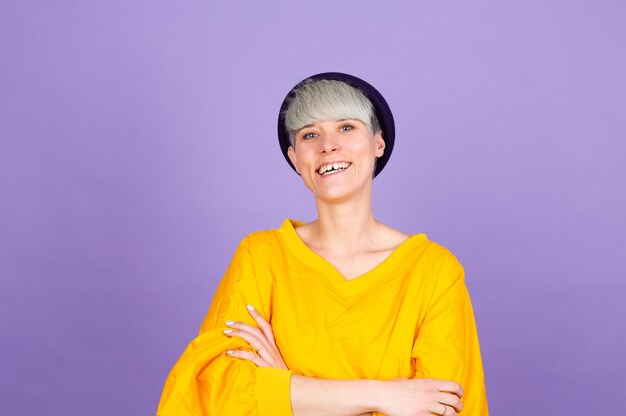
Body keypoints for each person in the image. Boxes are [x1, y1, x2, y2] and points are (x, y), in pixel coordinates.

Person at [157, 72, 489, 416]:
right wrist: (383, 396)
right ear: (295, 158)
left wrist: (283, 387)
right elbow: (219, 394)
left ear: (378, 143)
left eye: (346, 127)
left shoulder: (434, 272)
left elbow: (440, 408)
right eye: (309, 134)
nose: (327, 145)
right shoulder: (260, 257)